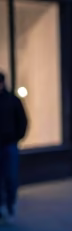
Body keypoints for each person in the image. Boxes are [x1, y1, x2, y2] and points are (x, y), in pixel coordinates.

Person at [0, 71, 28, 223]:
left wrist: (17, 137)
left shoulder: (12, 101)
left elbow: (22, 121)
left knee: (10, 176)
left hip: (9, 144)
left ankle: (9, 204)